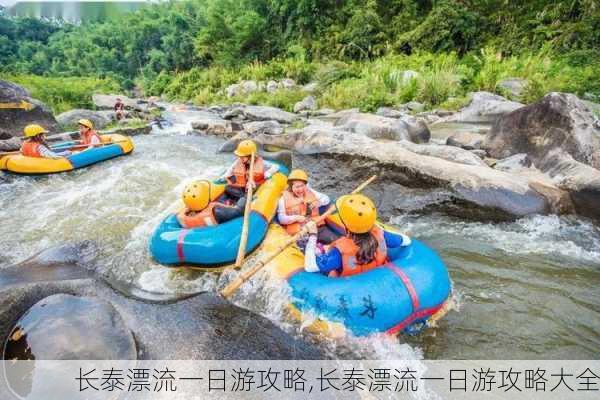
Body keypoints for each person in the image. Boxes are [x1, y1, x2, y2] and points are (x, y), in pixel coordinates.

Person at [303, 194, 410, 277]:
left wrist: (313, 234)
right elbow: (406, 240)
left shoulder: (339, 252)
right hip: (377, 276)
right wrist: (377, 227)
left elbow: (311, 267)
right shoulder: (381, 234)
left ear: (346, 225)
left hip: (350, 285)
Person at [277, 169, 337, 244]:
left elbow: (326, 199)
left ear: (305, 185)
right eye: (297, 187)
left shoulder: (310, 191)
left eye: (302, 186)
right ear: (291, 187)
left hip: (316, 225)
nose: (301, 189)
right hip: (299, 232)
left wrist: (318, 203)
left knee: (334, 240)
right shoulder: (283, 199)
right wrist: (295, 218)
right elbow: (281, 218)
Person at [177, 180, 245, 229]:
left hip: (207, 226)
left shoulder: (182, 216)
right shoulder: (217, 211)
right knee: (228, 188)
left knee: (226, 190)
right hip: (222, 222)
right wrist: (245, 196)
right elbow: (239, 211)